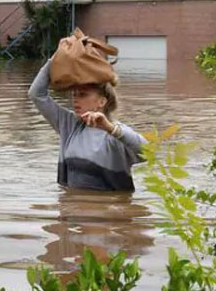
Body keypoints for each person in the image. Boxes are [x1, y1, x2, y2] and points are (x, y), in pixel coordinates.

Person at [28, 42, 146, 191]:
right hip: (71, 207)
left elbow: (148, 151)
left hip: (108, 209)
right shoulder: (70, 125)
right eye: (74, 94)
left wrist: (109, 128)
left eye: (83, 94)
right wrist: (59, 57)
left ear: (102, 101)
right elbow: (36, 94)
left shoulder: (115, 133)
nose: (75, 99)